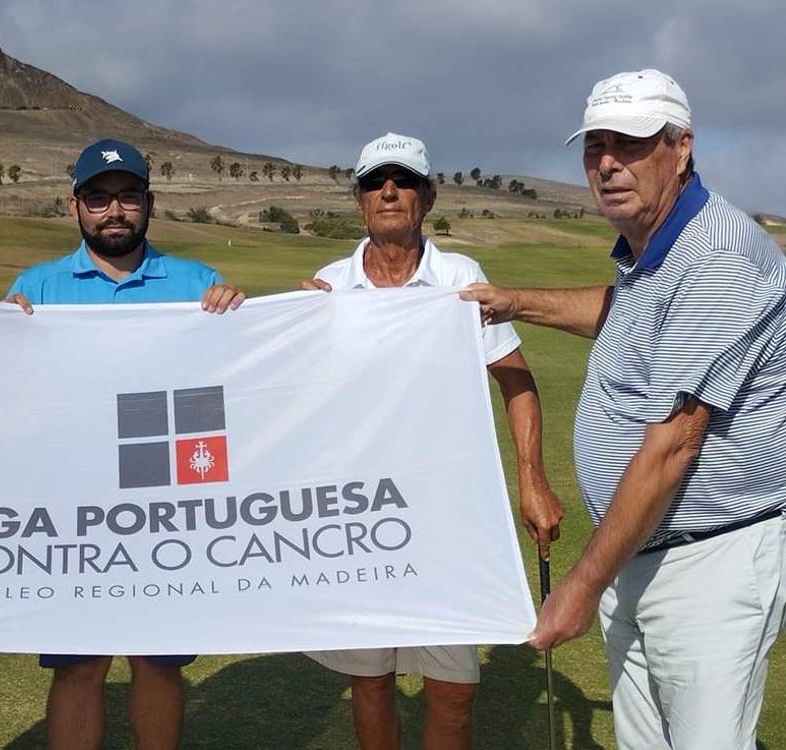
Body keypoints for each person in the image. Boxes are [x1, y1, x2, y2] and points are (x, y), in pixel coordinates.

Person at [463, 69, 786, 749]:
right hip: (638, 552)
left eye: (630, 143)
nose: (606, 163)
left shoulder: (717, 256)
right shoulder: (652, 246)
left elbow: (672, 448)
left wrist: (578, 587)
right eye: (593, 146)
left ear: (680, 147)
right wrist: (516, 301)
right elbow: (626, 313)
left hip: (711, 560)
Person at [300, 132, 564, 750]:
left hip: (446, 516)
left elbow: (517, 380)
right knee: (372, 682)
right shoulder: (328, 287)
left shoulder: (460, 279)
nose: (388, 191)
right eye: (374, 182)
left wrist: (532, 477)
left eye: (403, 180)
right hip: (356, 516)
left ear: (428, 195)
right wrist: (298, 323)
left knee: (453, 690)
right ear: (360, 200)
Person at [6, 138, 243, 749]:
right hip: (73, 512)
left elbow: (242, 383)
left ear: (148, 202)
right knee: (79, 664)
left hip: (167, 506)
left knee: (156, 661)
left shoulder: (199, 284)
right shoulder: (38, 288)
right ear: (75, 206)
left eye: (128, 197)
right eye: (99, 199)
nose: (115, 211)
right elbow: (4, 396)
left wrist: (242, 317)